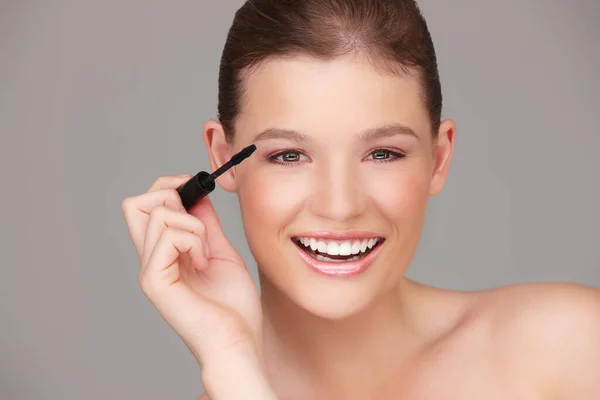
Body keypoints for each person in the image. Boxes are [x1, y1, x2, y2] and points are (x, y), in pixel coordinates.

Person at [121, 0, 600, 398]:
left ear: (438, 158)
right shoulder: (232, 384)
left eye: (383, 153)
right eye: (289, 155)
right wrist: (233, 364)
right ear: (223, 158)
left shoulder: (572, 348)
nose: (340, 205)